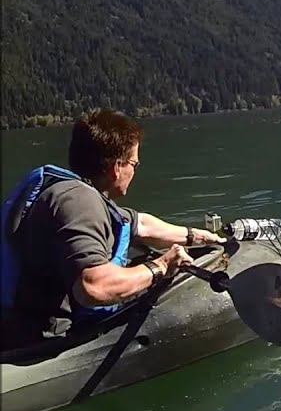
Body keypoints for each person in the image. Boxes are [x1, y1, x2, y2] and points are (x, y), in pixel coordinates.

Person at [0, 109, 225, 349]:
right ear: (117, 167)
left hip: (12, 324)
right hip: (41, 342)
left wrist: (197, 236)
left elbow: (141, 223)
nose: (134, 171)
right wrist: (161, 266)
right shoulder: (80, 203)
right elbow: (93, 287)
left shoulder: (63, 191)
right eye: (134, 164)